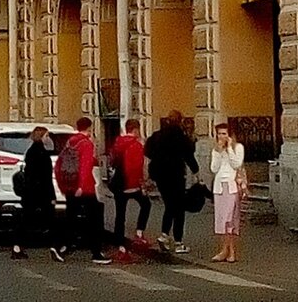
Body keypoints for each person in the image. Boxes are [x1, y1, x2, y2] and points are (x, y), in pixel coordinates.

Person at [57, 117, 110, 265]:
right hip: (84, 188)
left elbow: (60, 164)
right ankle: (96, 253)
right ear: (90, 128)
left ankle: (61, 246)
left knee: (71, 218)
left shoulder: (69, 142)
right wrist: (81, 186)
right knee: (95, 219)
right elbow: (86, 166)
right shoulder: (86, 144)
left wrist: (63, 185)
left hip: (69, 185)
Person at [145, 110, 199, 254]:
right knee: (179, 208)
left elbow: (148, 151)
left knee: (169, 205)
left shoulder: (157, 135)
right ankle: (178, 242)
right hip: (176, 176)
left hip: (160, 177)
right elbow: (189, 155)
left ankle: (164, 235)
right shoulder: (180, 137)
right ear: (180, 121)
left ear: (168, 120)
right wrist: (196, 171)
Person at [12, 126, 57, 260]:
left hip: (30, 193)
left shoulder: (31, 152)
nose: (49, 139)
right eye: (47, 136)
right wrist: (52, 196)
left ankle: (17, 246)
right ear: (42, 137)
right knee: (50, 221)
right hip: (40, 193)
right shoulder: (41, 153)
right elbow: (45, 177)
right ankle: (55, 247)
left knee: (27, 220)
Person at [109, 118, 152, 255]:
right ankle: (139, 232)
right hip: (131, 183)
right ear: (136, 130)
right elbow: (136, 166)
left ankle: (120, 245)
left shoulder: (117, 143)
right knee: (146, 204)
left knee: (120, 214)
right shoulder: (136, 145)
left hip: (118, 183)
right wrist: (141, 184)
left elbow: (112, 161)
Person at [210, 122, 245, 263]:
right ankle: (225, 250)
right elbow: (214, 168)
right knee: (221, 220)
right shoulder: (216, 150)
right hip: (219, 187)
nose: (221, 136)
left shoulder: (238, 148)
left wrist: (229, 148)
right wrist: (219, 152)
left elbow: (236, 164)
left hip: (231, 187)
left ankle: (231, 251)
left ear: (230, 135)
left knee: (229, 219)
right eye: (219, 134)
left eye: (224, 133)